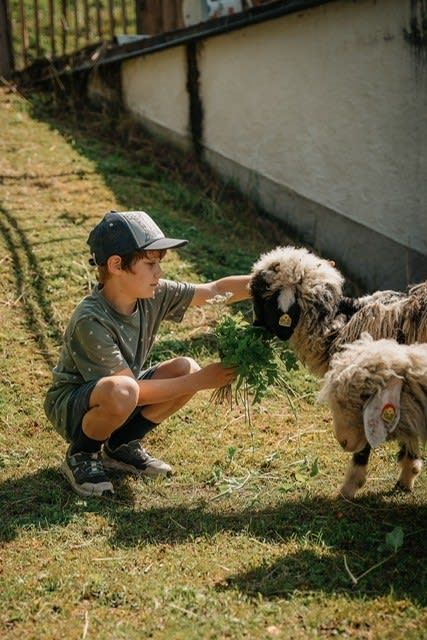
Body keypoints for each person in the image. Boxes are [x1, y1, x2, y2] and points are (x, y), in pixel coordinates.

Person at [44, 210, 251, 497]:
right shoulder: (90, 320)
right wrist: (201, 381)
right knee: (129, 389)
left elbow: (214, 290)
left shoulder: (154, 295)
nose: (159, 272)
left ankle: (121, 446)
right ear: (116, 265)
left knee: (185, 368)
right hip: (74, 408)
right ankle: (82, 454)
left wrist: (272, 281)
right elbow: (131, 391)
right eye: (151, 263)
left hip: (123, 391)